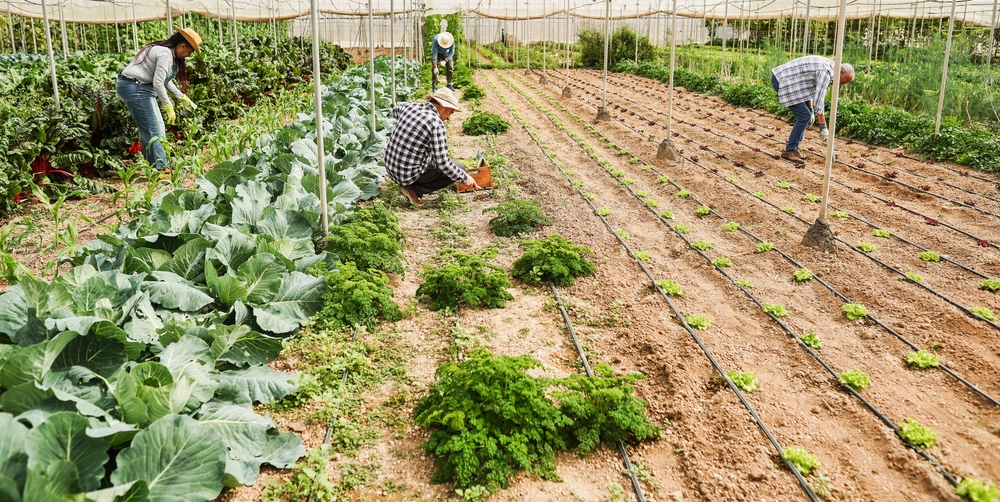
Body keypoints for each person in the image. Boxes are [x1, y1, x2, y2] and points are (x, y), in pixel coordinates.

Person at [116, 28, 202, 171]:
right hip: (135, 86)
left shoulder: (168, 54)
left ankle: (156, 166)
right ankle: (160, 168)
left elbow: (165, 80)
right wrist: (169, 106)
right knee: (153, 128)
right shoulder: (165, 54)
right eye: (189, 52)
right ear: (182, 46)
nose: (188, 55)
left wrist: (181, 97)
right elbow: (158, 83)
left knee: (158, 127)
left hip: (139, 87)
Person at [384, 88, 481, 205]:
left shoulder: (410, 107)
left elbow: (395, 110)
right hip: (407, 174)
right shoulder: (436, 124)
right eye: (450, 112)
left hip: (390, 168)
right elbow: (443, 163)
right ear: (442, 107)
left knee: (430, 154)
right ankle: (414, 189)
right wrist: (465, 178)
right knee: (458, 168)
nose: (449, 118)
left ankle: (411, 185)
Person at [770, 56, 854, 165]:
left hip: (792, 82)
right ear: (841, 71)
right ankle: (789, 151)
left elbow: (807, 87)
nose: (840, 85)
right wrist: (823, 127)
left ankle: (794, 148)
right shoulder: (826, 72)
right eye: (842, 82)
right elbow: (819, 100)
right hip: (783, 80)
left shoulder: (830, 68)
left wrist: (811, 109)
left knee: (806, 114)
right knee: (804, 115)